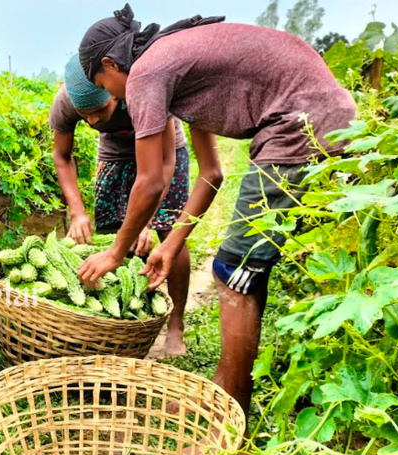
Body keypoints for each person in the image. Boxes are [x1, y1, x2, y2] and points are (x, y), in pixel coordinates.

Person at [75, 4, 357, 420]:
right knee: (262, 266)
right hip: (330, 116)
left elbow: (151, 180)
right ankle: (235, 390)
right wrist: (171, 244)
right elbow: (211, 172)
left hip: (297, 125)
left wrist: (115, 253)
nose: (115, 98)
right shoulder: (177, 65)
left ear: (110, 63)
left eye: (107, 86)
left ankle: (229, 416)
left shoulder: (148, 72)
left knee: (233, 270)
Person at [50, 54, 191, 355]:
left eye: (100, 110)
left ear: (114, 91)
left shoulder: (142, 89)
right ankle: (125, 324)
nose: (92, 121)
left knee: (170, 232)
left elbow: (164, 164)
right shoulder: (65, 100)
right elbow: (62, 157)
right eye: (84, 114)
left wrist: (149, 221)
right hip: (115, 154)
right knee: (115, 237)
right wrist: (77, 212)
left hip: (166, 150)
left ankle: (176, 323)